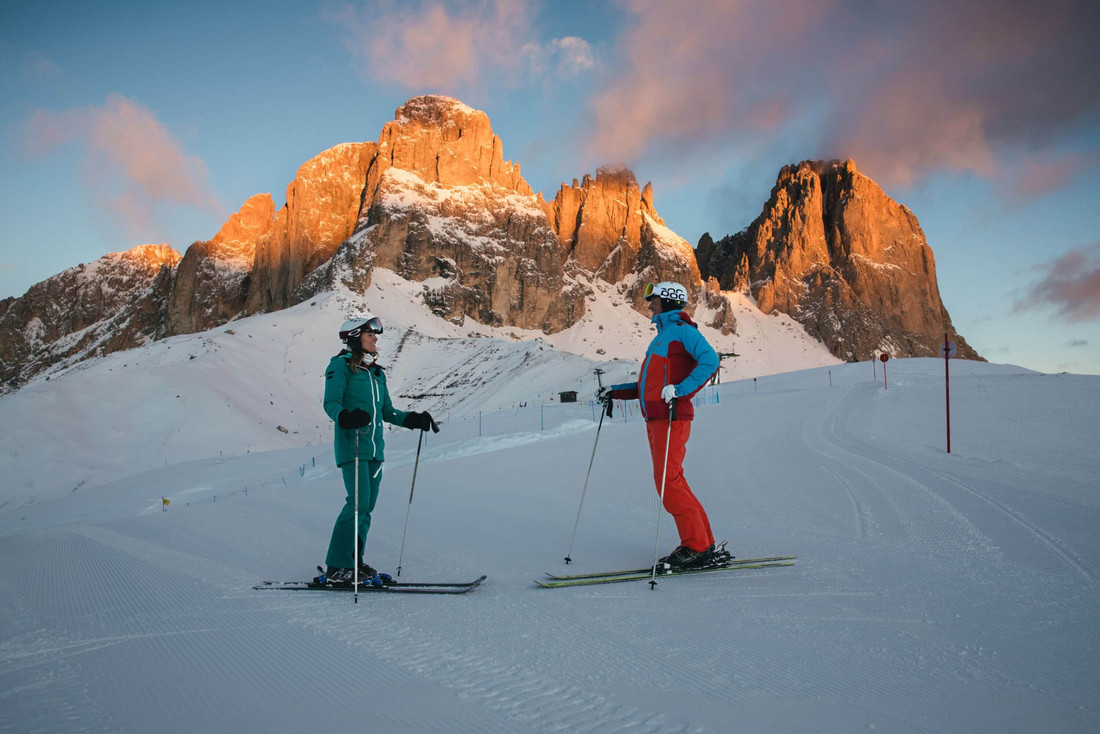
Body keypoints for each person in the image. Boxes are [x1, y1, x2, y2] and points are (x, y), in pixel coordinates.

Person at [598, 282, 720, 569]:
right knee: (674, 480)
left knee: (669, 483)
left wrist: (680, 390)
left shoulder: (682, 332)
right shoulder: (663, 337)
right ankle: (703, 541)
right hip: (657, 418)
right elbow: (648, 387)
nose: (650, 305)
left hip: (671, 417)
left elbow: (710, 361)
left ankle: (696, 546)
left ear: (668, 301)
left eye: (654, 300)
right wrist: (615, 391)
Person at [321, 314, 438, 583]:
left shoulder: (376, 373)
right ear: (354, 338)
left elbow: (387, 411)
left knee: (367, 507)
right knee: (357, 504)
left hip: (375, 450)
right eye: (369, 335)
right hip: (354, 445)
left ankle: (354, 561)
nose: (375, 339)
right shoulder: (339, 366)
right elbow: (331, 403)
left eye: (375, 335)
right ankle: (338, 566)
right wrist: (345, 417)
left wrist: (412, 419)